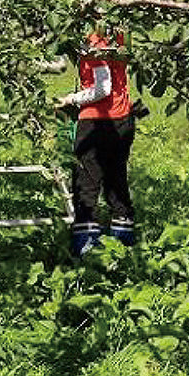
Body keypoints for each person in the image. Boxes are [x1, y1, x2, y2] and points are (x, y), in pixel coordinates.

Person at [55, 28, 135, 256]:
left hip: (97, 123)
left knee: (86, 185)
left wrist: (70, 99)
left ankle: (86, 252)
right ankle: (123, 247)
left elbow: (102, 88)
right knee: (116, 183)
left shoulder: (95, 36)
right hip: (123, 120)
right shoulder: (118, 30)